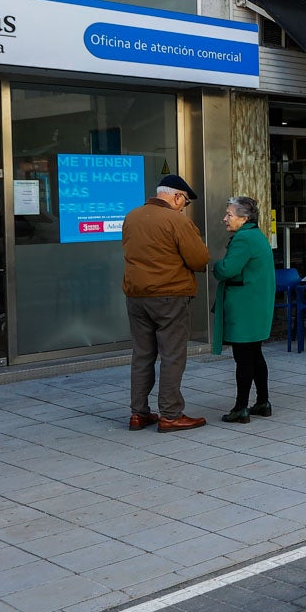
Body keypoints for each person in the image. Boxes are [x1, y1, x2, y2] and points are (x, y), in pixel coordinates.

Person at [122, 174, 211, 433]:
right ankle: (170, 415)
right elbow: (199, 259)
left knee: (142, 355)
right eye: (184, 201)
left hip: (136, 296)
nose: (184, 206)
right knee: (172, 355)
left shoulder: (132, 217)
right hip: (169, 295)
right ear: (176, 196)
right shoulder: (176, 220)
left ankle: (138, 414)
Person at [213, 196, 276, 424]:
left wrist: (215, 265)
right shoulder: (255, 236)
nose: (225, 218)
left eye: (229, 214)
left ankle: (241, 407)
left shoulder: (243, 239)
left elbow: (228, 269)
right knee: (255, 355)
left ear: (244, 218)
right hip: (255, 305)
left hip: (245, 308)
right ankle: (262, 402)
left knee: (244, 358)